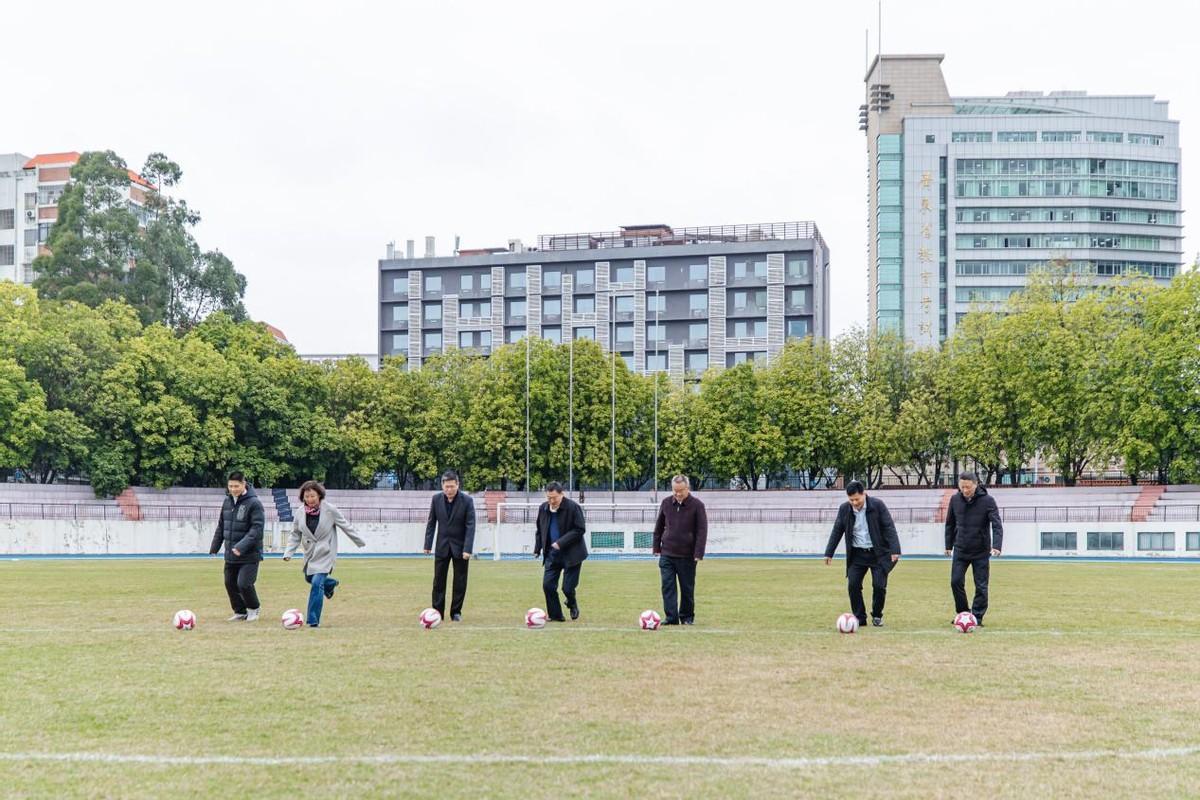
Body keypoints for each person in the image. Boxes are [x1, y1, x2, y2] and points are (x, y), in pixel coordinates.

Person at [282, 480, 366, 628]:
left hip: (326, 552)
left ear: (319, 495)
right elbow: (295, 534)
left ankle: (313, 620)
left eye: (313, 496)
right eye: (307, 496)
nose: (310, 499)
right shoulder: (300, 512)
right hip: (310, 553)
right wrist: (288, 552)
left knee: (316, 583)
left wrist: (359, 541)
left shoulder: (330, 510)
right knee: (309, 578)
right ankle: (331, 583)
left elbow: (345, 525)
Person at [823, 480, 901, 628]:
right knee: (853, 585)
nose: (854, 503)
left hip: (878, 554)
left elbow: (889, 527)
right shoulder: (844, 509)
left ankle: (877, 615)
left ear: (864, 494)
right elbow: (837, 530)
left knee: (879, 586)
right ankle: (859, 618)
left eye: (857, 499)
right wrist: (829, 552)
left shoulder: (877, 505)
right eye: (851, 500)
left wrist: (895, 549)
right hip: (857, 554)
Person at [944, 471, 1003, 627]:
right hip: (961, 549)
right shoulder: (955, 500)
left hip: (981, 551)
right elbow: (950, 523)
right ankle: (963, 613)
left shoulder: (988, 501)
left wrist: (997, 546)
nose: (965, 490)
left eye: (968, 487)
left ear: (975, 485)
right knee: (955, 582)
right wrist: (948, 545)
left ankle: (977, 617)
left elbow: (997, 524)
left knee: (981, 586)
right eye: (962, 487)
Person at [209, 471, 266, 622]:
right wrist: (215, 546)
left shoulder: (254, 503)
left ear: (244, 484)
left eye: (236, 486)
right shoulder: (227, 502)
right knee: (230, 583)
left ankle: (254, 609)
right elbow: (222, 526)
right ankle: (240, 611)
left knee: (244, 584)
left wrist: (241, 546)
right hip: (230, 553)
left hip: (249, 554)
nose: (233, 489)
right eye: (230, 486)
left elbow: (257, 529)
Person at [652, 475, 708, 625]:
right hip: (667, 554)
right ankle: (671, 618)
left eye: (680, 491)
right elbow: (659, 526)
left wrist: (698, 553)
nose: (677, 494)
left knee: (687, 588)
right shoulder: (666, 503)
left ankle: (687, 617)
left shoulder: (698, 505)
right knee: (667, 587)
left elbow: (702, 531)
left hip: (687, 556)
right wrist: (656, 547)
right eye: (675, 490)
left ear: (687, 488)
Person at [423, 470, 476, 621]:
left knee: (460, 581)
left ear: (457, 485)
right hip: (442, 546)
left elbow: (471, 526)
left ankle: (456, 612)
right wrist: (427, 544)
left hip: (461, 548)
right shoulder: (436, 499)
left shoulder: (467, 501)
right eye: (446, 486)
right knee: (438, 581)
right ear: (442, 486)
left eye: (452, 486)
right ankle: (437, 612)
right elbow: (431, 523)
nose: (449, 490)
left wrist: (467, 549)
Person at [532, 481, 588, 622]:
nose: (551, 501)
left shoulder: (573, 507)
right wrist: (537, 548)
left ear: (562, 494)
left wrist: (560, 543)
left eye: (554, 498)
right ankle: (556, 615)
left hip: (572, 554)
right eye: (549, 498)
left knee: (567, 588)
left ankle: (572, 603)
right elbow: (540, 530)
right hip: (552, 554)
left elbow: (580, 529)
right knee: (548, 586)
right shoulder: (543, 508)